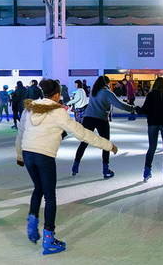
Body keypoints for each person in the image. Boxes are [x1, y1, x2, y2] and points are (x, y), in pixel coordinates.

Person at [15, 79, 117, 256]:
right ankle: (48, 239)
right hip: (44, 155)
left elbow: (21, 133)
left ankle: (32, 221)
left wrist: (19, 155)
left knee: (38, 189)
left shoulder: (29, 108)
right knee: (50, 197)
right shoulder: (57, 113)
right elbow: (83, 133)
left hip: (28, 154)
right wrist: (108, 145)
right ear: (56, 95)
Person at [71, 76, 136, 179]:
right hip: (101, 119)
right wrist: (133, 108)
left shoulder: (93, 91)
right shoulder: (107, 93)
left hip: (88, 118)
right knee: (106, 144)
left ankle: (75, 166)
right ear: (107, 83)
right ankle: (106, 170)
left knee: (84, 143)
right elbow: (119, 104)